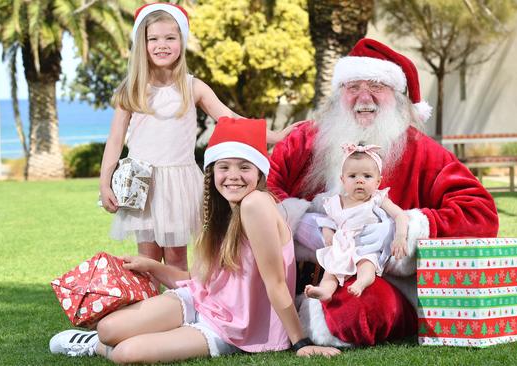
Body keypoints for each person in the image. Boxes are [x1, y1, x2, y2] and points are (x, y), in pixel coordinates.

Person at [50, 118, 340, 363]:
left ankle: (94, 347)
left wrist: (300, 342)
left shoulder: (256, 204)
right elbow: (203, 281)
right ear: (212, 171)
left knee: (126, 353)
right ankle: (97, 340)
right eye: (224, 167)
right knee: (109, 328)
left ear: (259, 172)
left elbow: (275, 282)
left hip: (233, 327)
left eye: (244, 167)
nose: (233, 176)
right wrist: (153, 265)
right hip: (202, 301)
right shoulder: (223, 211)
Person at [268, 38, 499, 346]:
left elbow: (480, 212)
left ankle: (301, 319)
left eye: (376, 85)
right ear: (339, 95)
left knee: (357, 311)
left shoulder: (422, 151)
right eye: (353, 87)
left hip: (379, 277)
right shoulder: (303, 141)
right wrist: (295, 225)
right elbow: (260, 189)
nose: (364, 98)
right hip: (297, 274)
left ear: (397, 96)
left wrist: (404, 230)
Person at [98, 3, 295, 274]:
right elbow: (115, 140)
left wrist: (275, 136)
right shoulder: (131, 90)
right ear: (141, 44)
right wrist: (104, 182)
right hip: (140, 183)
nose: (161, 45)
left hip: (178, 183)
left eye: (170, 38)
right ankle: (152, 313)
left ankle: (179, 311)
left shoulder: (193, 87)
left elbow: (231, 119)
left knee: (177, 258)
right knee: (147, 259)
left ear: (182, 41)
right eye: (153, 39)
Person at [304, 143, 408, 301]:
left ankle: (361, 282)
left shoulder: (377, 199)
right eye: (353, 176)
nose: (360, 181)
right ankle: (326, 290)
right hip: (343, 246)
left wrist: (400, 237)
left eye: (367, 176)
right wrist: (327, 233)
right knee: (331, 268)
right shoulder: (336, 202)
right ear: (343, 180)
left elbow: (400, 215)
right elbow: (328, 220)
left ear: (378, 182)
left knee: (367, 264)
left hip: (366, 246)